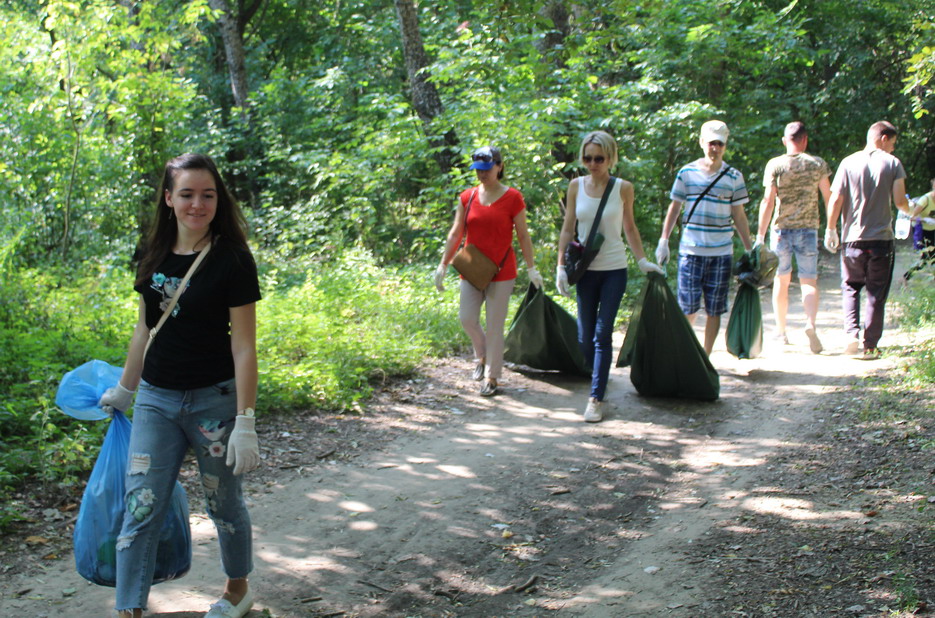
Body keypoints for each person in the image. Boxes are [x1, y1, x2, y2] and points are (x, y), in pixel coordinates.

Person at [99, 153, 261, 618]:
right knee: (141, 506)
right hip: (155, 400)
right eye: (187, 194)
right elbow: (143, 329)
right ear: (169, 198)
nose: (197, 204)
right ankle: (128, 607)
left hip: (215, 401)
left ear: (218, 199)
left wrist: (246, 420)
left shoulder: (232, 259)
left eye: (207, 195)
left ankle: (237, 590)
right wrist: (126, 390)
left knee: (224, 505)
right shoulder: (151, 252)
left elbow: (244, 347)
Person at [556, 131, 664, 422]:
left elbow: (630, 227)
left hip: (614, 269)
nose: (593, 164)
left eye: (599, 158)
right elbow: (568, 228)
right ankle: (599, 375)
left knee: (603, 335)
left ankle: (596, 397)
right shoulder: (575, 186)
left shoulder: (623, 188)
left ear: (611, 158)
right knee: (584, 338)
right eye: (587, 158)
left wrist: (642, 261)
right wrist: (559, 266)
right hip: (584, 271)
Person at [435, 146, 544, 397]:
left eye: (486, 169)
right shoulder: (468, 197)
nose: (481, 175)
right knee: (467, 318)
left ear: (499, 166)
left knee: (495, 325)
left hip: (502, 270)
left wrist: (531, 267)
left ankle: (492, 377)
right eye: (478, 170)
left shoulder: (513, 198)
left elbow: (523, 235)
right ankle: (481, 355)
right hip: (473, 267)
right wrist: (443, 263)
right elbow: (456, 232)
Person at [656, 120, 754, 356]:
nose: (715, 148)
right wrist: (664, 240)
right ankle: (685, 352)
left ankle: (705, 356)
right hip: (691, 250)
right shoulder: (686, 173)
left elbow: (739, 215)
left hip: (721, 253)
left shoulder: (734, 176)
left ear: (725, 145)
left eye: (719, 143)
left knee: (715, 309)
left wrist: (750, 248)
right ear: (702, 143)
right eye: (711, 143)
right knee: (687, 307)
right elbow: (675, 207)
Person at [825, 121, 911, 360]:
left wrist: (831, 229)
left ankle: (851, 335)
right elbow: (900, 201)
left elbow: (836, 200)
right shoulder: (893, 164)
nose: (893, 149)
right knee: (876, 292)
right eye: (892, 143)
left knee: (850, 287)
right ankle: (870, 346)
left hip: (852, 240)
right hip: (881, 240)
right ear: (883, 138)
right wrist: (910, 209)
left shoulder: (847, 162)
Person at [756, 121, 832, 354]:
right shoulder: (817, 164)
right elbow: (828, 196)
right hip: (808, 230)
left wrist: (760, 234)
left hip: (781, 231)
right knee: (809, 280)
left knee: (782, 280)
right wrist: (832, 227)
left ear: (784, 141)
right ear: (805, 140)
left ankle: (781, 332)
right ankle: (810, 324)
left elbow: (768, 200)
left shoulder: (776, 165)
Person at [903, 178, 935, 280]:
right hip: (922, 231)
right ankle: (906, 277)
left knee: (932, 258)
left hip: (933, 230)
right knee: (925, 259)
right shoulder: (925, 199)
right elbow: (911, 217)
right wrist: (925, 219)